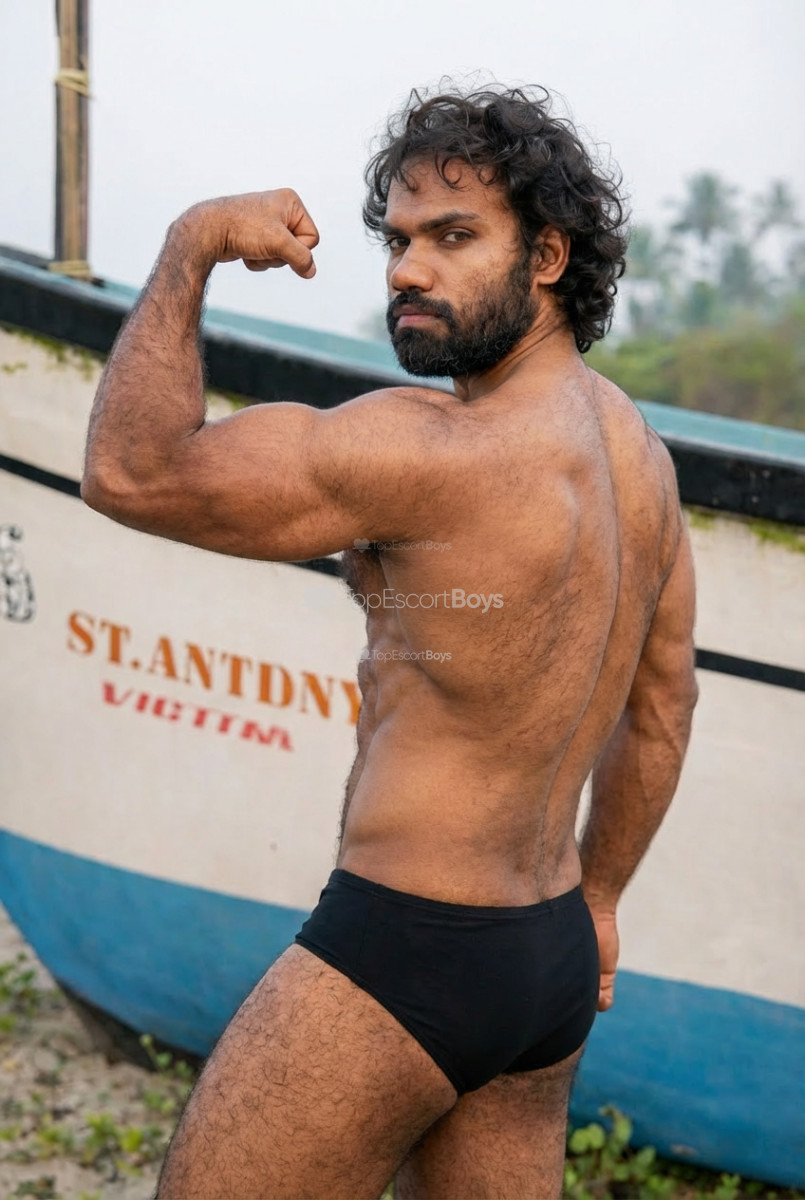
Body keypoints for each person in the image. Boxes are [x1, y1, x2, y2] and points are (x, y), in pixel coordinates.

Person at [82, 83, 698, 1200]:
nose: (408, 269)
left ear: (547, 257)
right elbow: (662, 711)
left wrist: (192, 244)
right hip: (548, 963)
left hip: (408, 949)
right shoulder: (642, 462)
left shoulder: (428, 449)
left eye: (452, 237)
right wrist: (601, 899)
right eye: (399, 240)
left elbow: (132, 470)